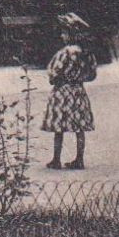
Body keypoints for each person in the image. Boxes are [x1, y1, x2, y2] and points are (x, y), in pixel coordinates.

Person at [43, 13, 98, 170]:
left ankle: (56, 159)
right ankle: (79, 159)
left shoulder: (65, 53)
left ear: (70, 34)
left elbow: (54, 73)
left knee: (59, 127)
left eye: (64, 32)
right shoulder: (86, 53)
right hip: (79, 91)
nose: (62, 35)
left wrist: (56, 80)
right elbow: (92, 74)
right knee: (79, 127)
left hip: (62, 92)